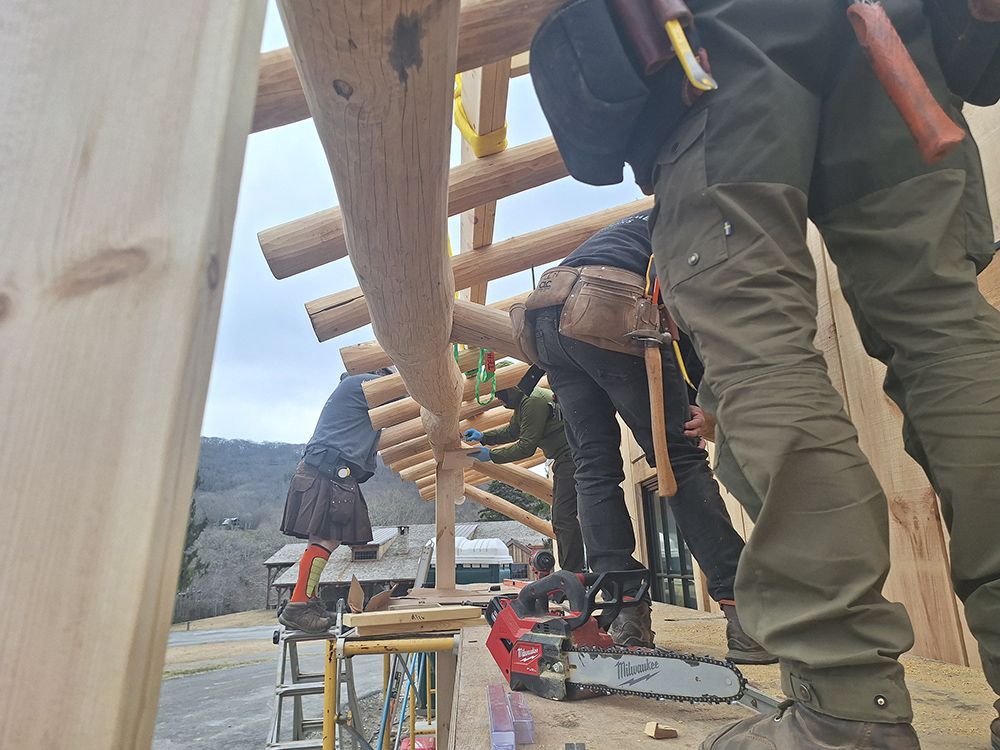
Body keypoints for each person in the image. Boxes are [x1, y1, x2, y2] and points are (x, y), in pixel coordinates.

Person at [645, 1, 1000, 746]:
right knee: (942, 326)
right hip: (892, 41)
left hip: (725, 40)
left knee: (757, 341)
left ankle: (845, 710)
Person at [521, 211, 773, 664]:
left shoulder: (634, 227)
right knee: (677, 457)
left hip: (545, 322)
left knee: (593, 467)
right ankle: (743, 614)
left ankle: (626, 613)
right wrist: (706, 401)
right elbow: (696, 318)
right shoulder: (701, 219)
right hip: (604, 305)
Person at [277, 369, 392, 633]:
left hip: (325, 470)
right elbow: (401, 389)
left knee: (322, 540)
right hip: (328, 471)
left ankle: (307, 601)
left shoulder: (351, 390)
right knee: (326, 539)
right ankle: (298, 605)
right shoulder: (362, 384)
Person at [462, 385, 586, 573]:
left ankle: (573, 573)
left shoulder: (533, 401)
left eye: (499, 394)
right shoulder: (524, 404)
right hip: (566, 458)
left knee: (563, 517)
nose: (499, 400)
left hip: (572, 456)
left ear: (511, 387)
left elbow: (526, 447)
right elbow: (513, 431)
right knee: (563, 517)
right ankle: (572, 572)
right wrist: (484, 437)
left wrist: (492, 455)